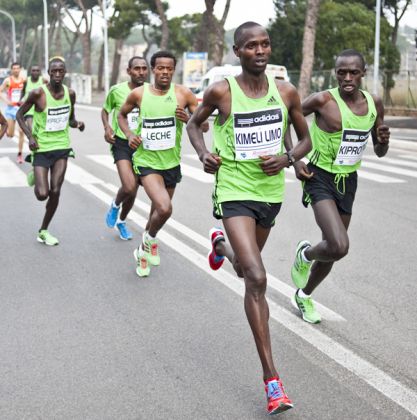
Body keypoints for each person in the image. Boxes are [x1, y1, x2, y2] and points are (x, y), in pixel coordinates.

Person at [187, 22, 312, 415]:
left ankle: (221, 247)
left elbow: (305, 139)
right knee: (257, 278)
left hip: (269, 194)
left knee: (244, 268)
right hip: (234, 190)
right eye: (251, 46)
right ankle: (272, 382)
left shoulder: (286, 91)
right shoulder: (222, 91)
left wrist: (288, 158)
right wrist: (204, 154)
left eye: (265, 44)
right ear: (237, 52)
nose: (260, 51)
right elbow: (193, 124)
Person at [289, 49, 390, 324]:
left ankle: (304, 294)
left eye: (353, 72)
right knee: (339, 244)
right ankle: (306, 253)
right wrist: (294, 159)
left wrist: (383, 141)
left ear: (363, 73)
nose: (347, 78)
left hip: (348, 180)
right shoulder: (323, 100)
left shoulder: (374, 103)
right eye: (341, 72)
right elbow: (287, 117)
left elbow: (380, 151)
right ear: (335, 73)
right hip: (318, 176)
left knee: (333, 250)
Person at [118, 50, 204, 277]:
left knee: (156, 212)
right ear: (153, 69)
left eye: (169, 68)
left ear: (173, 70)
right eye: (160, 68)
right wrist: (128, 135)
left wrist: (190, 119)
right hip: (147, 162)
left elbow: (203, 126)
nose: (165, 72)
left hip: (171, 164)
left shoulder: (184, 94)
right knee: (165, 208)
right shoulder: (139, 94)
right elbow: (121, 115)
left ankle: (142, 253)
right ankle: (150, 239)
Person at [16, 57, 85, 246]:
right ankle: (36, 175)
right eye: (53, 71)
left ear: (65, 72)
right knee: (42, 194)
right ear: (48, 72)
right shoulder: (38, 93)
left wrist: (77, 124)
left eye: (60, 71)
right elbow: (20, 115)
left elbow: (70, 119)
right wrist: (30, 136)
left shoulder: (70, 94)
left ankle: (44, 230)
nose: (57, 74)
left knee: (56, 190)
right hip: (42, 148)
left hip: (62, 147)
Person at [102, 56, 149, 240]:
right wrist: (107, 127)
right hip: (122, 143)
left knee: (134, 190)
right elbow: (105, 110)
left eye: (144, 68)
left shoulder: (152, 92)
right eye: (137, 68)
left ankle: (121, 221)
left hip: (144, 145)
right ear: (128, 71)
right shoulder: (117, 91)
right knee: (129, 186)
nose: (141, 72)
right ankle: (115, 205)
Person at [0, 62, 25, 163]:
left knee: (22, 131)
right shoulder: (8, 81)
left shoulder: (23, 80)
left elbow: (27, 91)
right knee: (10, 134)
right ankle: (8, 130)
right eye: (14, 68)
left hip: (20, 109)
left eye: (17, 68)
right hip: (10, 110)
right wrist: (7, 101)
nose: (16, 70)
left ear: (20, 69)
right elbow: (0, 91)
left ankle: (20, 154)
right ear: (11, 70)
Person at [21, 65, 48, 132]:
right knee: (32, 130)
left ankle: (33, 141)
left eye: (37, 71)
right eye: (33, 70)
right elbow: (23, 91)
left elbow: (49, 92)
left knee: (40, 131)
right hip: (29, 110)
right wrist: (20, 100)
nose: (35, 72)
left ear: (40, 72)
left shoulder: (43, 81)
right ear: (30, 72)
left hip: (41, 110)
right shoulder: (26, 81)